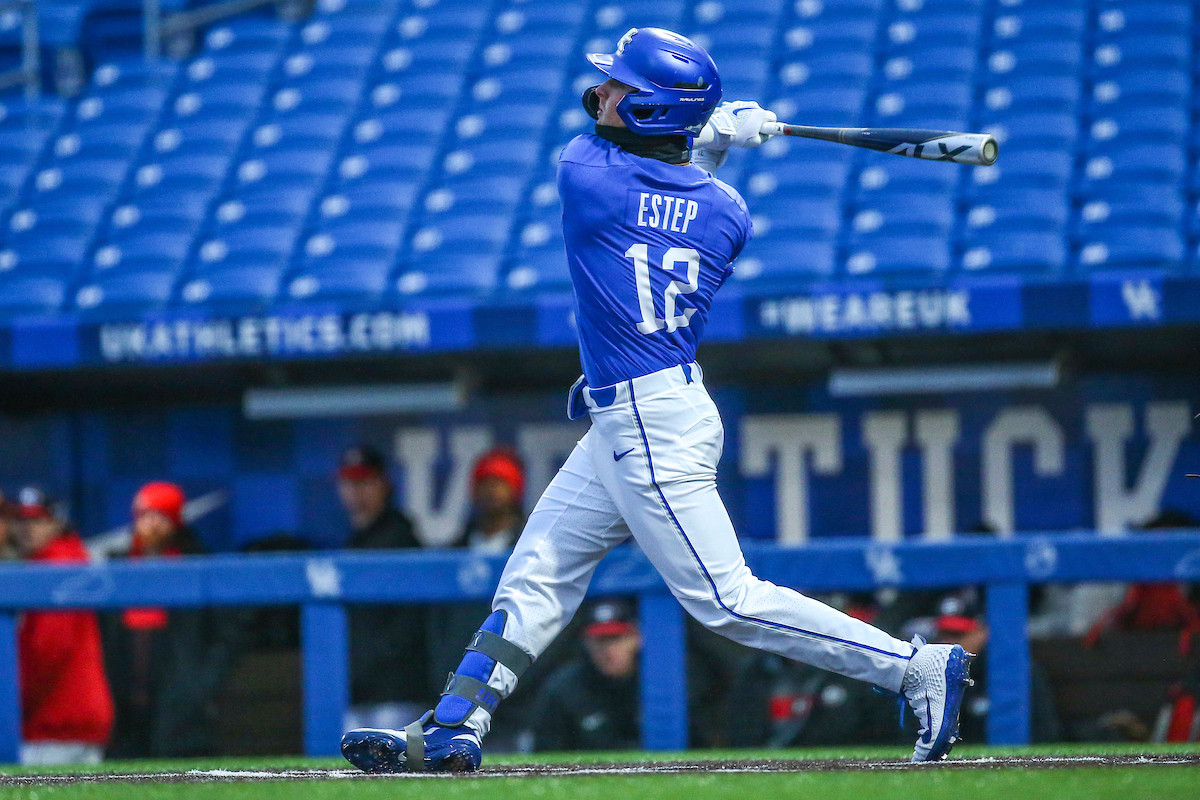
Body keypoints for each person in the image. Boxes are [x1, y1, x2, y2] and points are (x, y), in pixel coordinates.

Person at [341, 27, 970, 774]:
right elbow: (678, 193)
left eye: (619, 88)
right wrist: (716, 138)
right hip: (641, 415)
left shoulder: (585, 173)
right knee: (535, 573)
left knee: (727, 601)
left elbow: (638, 182)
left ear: (650, 114)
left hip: (648, 426)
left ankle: (912, 666)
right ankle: (455, 724)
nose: (602, 93)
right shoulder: (729, 213)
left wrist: (712, 132)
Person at [103, 481, 245, 758]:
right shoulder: (118, 567)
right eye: (145, 516)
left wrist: (200, 687)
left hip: (180, 706)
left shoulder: (199, 565)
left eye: (161, 516)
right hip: (124, 704)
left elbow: (228, 637)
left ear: (176, 521)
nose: (152, 525)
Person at [14, 487, 114, 765]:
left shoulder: (58, 564)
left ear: (57, 523)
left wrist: (10, 702)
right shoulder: (53, 560)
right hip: (71, 717)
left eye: (37, 520)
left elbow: (48, 650)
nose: (26, 529)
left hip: (56, 719)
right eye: (21, 520)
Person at [337, 445, 430, 726]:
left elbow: (411, 623)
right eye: (350, 483)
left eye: (366, 482)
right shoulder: (353, 544)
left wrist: (369, 663)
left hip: (398, 690)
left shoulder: (402, 539)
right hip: (359, 692)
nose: (357, 492)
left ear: (383, 485)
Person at [527, 600, 642, 751]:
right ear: (586, 643)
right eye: (600, 641)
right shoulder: (565, 689)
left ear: (636, 639)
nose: (608, 651)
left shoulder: (660, 682)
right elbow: (545, 754)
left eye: (616, 639)